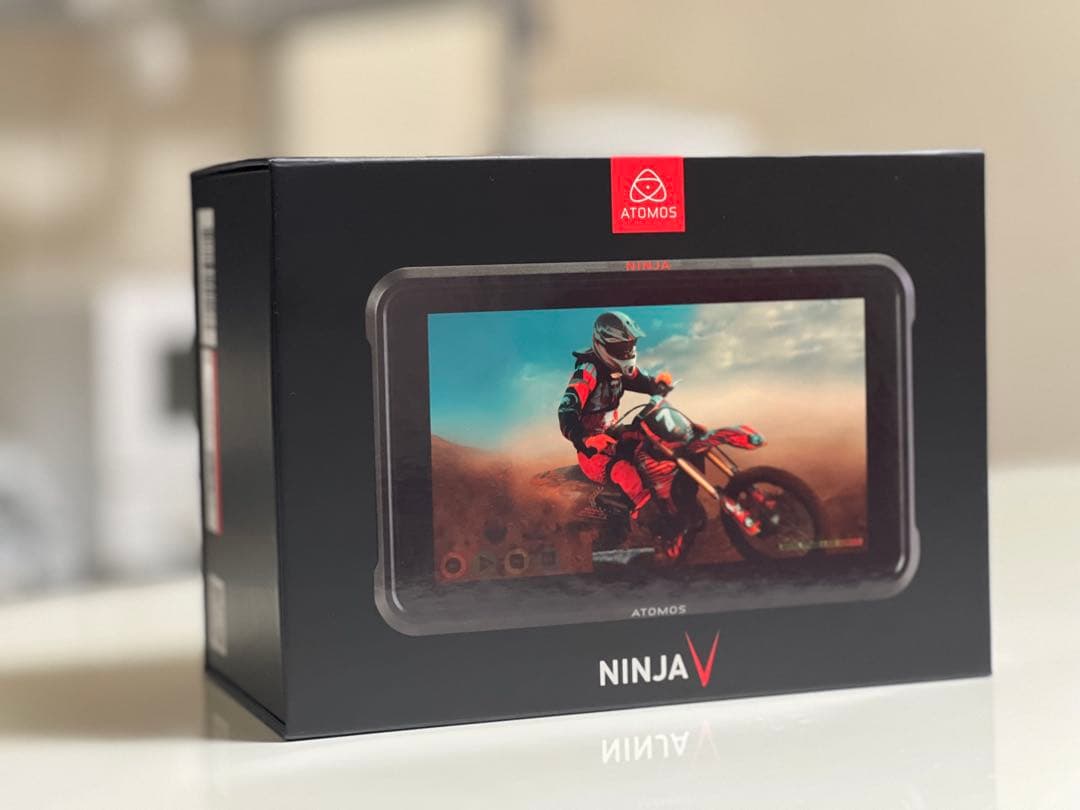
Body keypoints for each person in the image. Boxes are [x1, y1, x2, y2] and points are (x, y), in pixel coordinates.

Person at [557, 311, 673, 518]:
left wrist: (658, 384)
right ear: (602, 344)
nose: (627, 352)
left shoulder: (618, 367)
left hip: (614, 434)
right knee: (625, 473)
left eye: (630, 345)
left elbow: (642, 381)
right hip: (593, 450)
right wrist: (585, 439)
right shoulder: (588, 371)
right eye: (621, 347)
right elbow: (566, 410)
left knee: (655, 442)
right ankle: (650, 520)